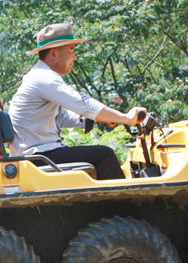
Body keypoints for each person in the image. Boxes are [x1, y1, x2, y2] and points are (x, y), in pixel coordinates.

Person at [8, 23, 146, 180]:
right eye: (71, 50)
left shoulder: (40, 77)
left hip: (40, 152)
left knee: (98, 155)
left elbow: (60, 117)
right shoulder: (44, 78)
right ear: (53, 54)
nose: (75, 56)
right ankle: (126, 203)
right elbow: (82, 103)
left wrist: (96, 120)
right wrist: (126, 118)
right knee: (104, 155)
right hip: (38, 156)